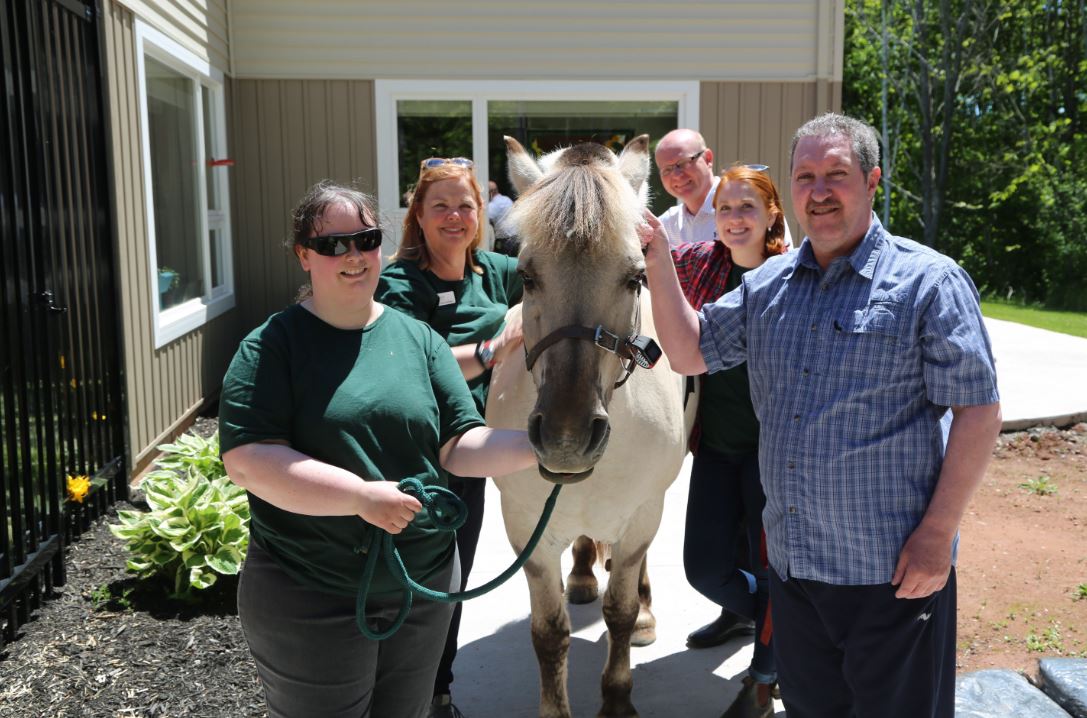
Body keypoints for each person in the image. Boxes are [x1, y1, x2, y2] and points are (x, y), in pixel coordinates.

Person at [639, 113, 1002, 718]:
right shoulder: (769, 287)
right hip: (796, 575)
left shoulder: (928, 282)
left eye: (837, 173)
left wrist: (938, 536)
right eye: (805, 176)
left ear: (872, 180)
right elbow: (688, 350)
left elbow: (979, 411)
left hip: (892, 579)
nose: (820, 190)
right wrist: (655, 256)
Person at [220, 181, 536, 718]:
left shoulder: (421, 341)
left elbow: (460, 445)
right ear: (304, 255)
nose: (353, 255)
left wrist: (544, 446)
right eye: (332, 244)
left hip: (424, 584)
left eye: (365, 240)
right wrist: (361, 497)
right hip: (312, 590)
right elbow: (249, 460)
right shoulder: (272, 346)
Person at [378, 160, 524, 718]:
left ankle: (438, 691)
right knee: (411, 581)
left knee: (452, 581)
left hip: (469, 451)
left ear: (481, 212)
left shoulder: (495, 271)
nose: (454, 216)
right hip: (415, 453)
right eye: (439, 205)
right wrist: (493, 349)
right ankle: (396, 694)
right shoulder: (399, 282)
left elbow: (557, 275)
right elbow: (416, 367)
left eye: (465, 205)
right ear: (418, 213)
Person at [664, 164, 787, 717]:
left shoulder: (792, 276)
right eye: (726, 209)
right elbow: (643, 278)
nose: (734, 219)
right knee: (704, 567)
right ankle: (768, 618)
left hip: (772, 453)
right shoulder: (698, 265)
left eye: (746, 209)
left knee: (769, 567)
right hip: (715, 443)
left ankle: (764, 674)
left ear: (771, 216)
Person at [486, 180, 518, 256]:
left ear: (490, 193)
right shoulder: (507, 199)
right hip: (516, 240)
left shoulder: (493, 205)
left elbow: (483, 219)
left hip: (504, 242)